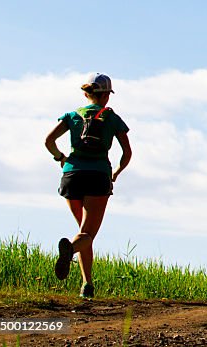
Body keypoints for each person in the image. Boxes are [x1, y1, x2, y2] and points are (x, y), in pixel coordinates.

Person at [43, 73, 132, 299]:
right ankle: (70, 251)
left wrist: (60, 158)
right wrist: (117, 172)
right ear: (106, 96)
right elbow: (127, 153)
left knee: (83, 232)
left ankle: (87, 285)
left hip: (71, 174)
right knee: (87, 234)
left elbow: (48, 141)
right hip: (97, 175)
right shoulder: (112, 119)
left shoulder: (72, 116)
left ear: (86, 94)